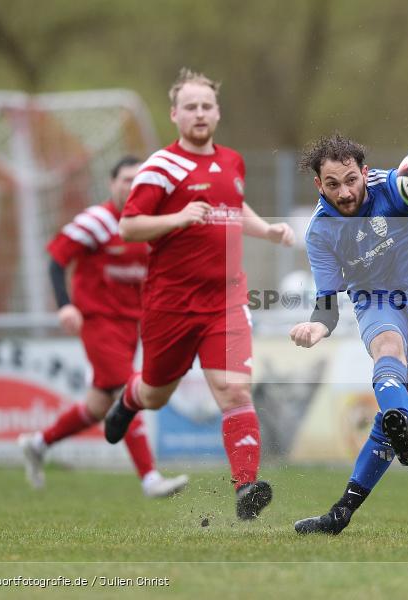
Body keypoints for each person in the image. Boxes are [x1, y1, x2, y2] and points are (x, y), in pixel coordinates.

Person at [102, 68, 295, 521]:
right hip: (170, 305)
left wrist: (266, 230)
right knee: (155, 394)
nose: (200, 113)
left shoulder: (232, 162)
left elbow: (233, 207)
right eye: (190, 107)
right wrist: (178, 217)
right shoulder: (161, 167)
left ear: (218, 112)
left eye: (207, 106)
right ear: (175, 114)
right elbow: (129, 226)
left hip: (226, 300)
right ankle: (129, 400)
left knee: (234, 390)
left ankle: (246, 487)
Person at [289, 134, 408, 535]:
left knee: (395, 413)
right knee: (387, 348)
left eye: (350, 180)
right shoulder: (320, 232)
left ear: (364, 173)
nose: (345, 193)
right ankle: (400, 427)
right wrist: (316, 326)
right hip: (376, 298)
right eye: (333, 184)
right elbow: (327, 306)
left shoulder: (397, 186)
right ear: (319, 185)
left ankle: (341, 513)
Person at [18, 156, 189, 499]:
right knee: (128, 392)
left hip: (132, 326)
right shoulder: (97, 221)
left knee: (98, 406)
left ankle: (38, 444)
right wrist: (65, 305)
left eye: (139, 180)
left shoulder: (151, 226)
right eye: (125, 179)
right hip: (97, 322)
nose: (132, 186)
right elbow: (56, 260)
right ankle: (150, 478)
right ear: (112, 184)